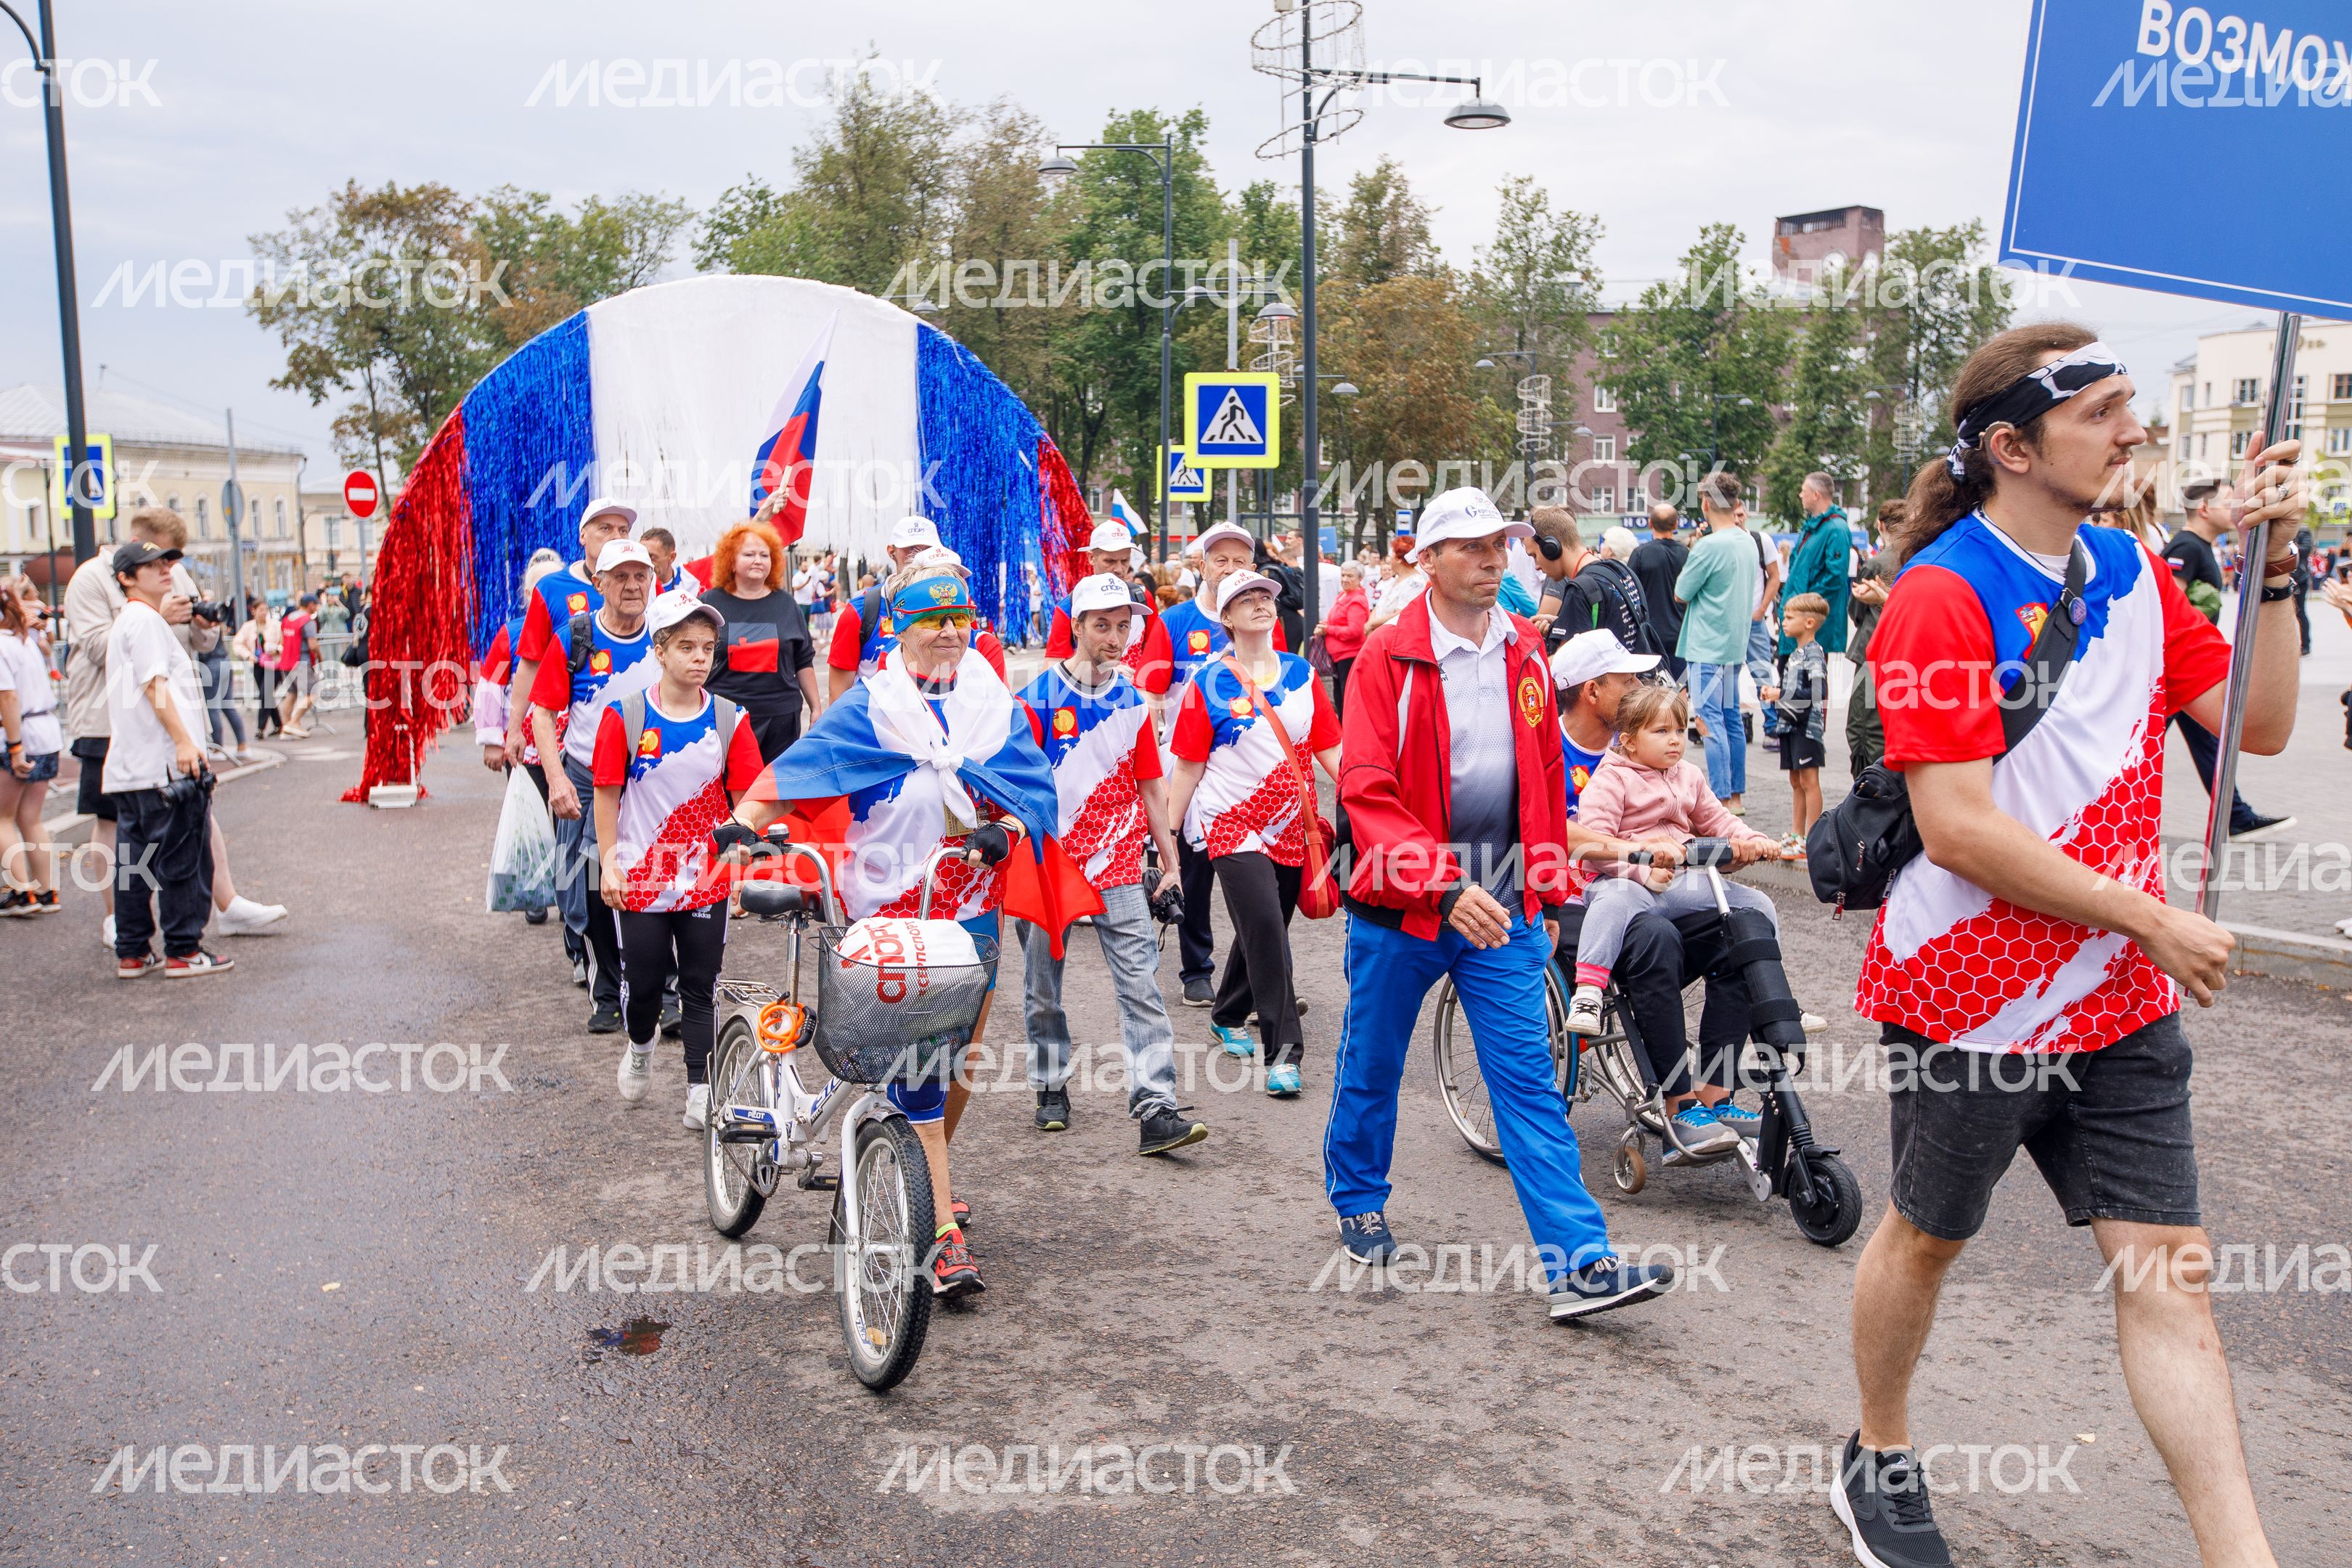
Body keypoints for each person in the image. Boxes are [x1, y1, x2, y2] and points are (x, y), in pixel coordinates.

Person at [1834, 324, 2303, 1568]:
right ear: (2011, 447)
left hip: (2119, 997)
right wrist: (2151, 914)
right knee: (1927, 1239)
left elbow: (2255, 723)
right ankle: (1878, 1451)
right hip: (1973, 997)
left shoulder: (2138, 573)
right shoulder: (1942, 595)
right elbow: (1960, 827)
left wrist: (2276, 566)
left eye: (2132, 407)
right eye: (2102, 412)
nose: (2133, 430)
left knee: (2170, 1275)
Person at [1326, 487, 1675, 1320]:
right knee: (1373, 1062)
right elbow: (1366, 794)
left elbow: (1542, 776)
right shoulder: (1385, 657)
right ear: (1429, 561)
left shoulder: (1526, 646)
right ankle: (1359, 1197)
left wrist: (1547, 885)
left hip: (1508, 906)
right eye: (1473, 549)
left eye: (1502, 547)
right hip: (1404, 907)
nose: (1494, 562)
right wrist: (1442, 887)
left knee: (1527, 1084)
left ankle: (1581, 1263)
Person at [718, 565, 1077, 1296]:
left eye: (959, 617)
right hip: (885, 902)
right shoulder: (870, 708)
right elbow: (799, 770)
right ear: (899, 629)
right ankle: (936, 1229)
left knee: (963, 1057)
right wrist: (743, 826)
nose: (948, 630)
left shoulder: (993, 706)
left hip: (969, 898)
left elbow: (1032, 792)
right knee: (919, 1061)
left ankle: (908, 1174)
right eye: (931, 618)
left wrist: (1005, 831)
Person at [1549, 629, 1773, 1156]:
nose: (1640, 685)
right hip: (1573, 897)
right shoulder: (1548, 751)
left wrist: (1735, 844)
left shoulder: (1655, 750)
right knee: (1652, 934)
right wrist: (1637, 852)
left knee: (1739, 928)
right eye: (1628, 679)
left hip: (1653, 887)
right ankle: (1677, 1105)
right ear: (1593, 690)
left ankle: (1718, 1091)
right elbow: (1556, 835)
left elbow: (1706, 816)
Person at [1016, 573, 1206, 1155]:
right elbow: (1017, 788)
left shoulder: (1131, 700)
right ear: (1075, 626)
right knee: (1043, 989)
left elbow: (1152, 787)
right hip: (1050, 866)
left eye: (1125, 626)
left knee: (1141, 986)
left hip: (1120, 864)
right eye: (1102, 625)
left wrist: (1169, 863)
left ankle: (1156, 1108)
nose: (1116, 637)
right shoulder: (1037, 698)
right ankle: (1050, 1085)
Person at [64, 507, 286, 945]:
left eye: (173, 560)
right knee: (115, 822)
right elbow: (97, 648)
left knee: (196, 809)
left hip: (172, 723)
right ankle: (122, 921)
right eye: (161, 561)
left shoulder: (174, 576)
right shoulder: (91, 578)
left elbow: (199, 643)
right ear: (139, 550)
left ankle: (227, 904)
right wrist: (156, 615)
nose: (170, 569)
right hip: (111, 721)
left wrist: (204, 625)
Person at [592, 591, 766, 1129]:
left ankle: (699, 1087)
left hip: (704, 878)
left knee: (699, 984)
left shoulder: (729, 718)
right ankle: (640, 1045)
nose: (699, 658)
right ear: (660, 650)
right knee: (642, 985)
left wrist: (740, 871)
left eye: (708, 648)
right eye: (686, 647)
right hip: (642, 878)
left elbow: (747, 800)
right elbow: (606, 795)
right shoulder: (625, 716)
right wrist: (609, 863)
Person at [1165, 568, 1341, 1096]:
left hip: (1295, 823)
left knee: (1265, 927)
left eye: (1266, 596)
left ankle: (1227, 1011)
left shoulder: (1303, 675)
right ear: (1226, 617)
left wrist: (1374, 795)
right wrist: (1169, 838)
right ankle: (1284, 1053)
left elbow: (1331, 751)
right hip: (1230, 822)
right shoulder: (1207, 683)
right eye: (1247, 599)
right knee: (1264, 922)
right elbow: (1188, 768)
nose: (1262, 604)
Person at [1564, 682, 1789, 1034]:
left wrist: (1753, 839)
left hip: (1680, 882)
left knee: (1756, 903)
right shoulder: (1610, 780)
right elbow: (1598, 846)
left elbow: (1719, 820)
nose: (1675, 740)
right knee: (1610, 903)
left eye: (1681, 731)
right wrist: (1641, 872)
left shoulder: (1690, 776)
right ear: (1630, 740)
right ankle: (1589, 992)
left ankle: (1771, 993)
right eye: (1661, 731)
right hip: (1620, 879)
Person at [528, 537, 663, 1035]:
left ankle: (662, 992)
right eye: (620, 577)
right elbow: (543, 714)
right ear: (599, 583)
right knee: (589, 887)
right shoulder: (576, 635)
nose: (632, 586)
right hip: (585, 777)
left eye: (640, 576)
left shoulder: (668, 633)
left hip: (649, 780)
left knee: (659, 882)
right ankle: (606, 990)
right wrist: (557, 779)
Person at [1159, 520, 1284, 1010]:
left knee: (1261, 880)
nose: (1229, 569)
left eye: (1239, 561)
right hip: (1189, 763)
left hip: (1247, 772)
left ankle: (1259, 977)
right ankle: (1197, 969)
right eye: (1220, 560)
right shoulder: (1174, 622)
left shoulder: (1260, 617)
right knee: (1194, 872)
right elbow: (1152, 693)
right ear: (1203, 565)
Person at [102, 540, 231, 979]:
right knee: (182, 859)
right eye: (150, 566)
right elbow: (154, 686)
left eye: (166, 563)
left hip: (132, 768)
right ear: (125, 577)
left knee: (133, 867)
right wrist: (183, 742)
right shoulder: (145, 621)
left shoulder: (129, 622)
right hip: (162, 766)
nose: (164, 570)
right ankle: (183, 950)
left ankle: (134, 951)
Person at [2164, 478, 2292, 840]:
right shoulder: (2186, 546)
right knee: (2135, 740)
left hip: (2187, 668)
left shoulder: (2201, 546)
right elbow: (2168, 604)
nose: (2237, 508)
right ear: (2204, 509)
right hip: (2175, 667)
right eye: (2228, 502)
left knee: (2208, 739)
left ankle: (2236, 815)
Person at [504, 494, 640, 767]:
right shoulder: (552, 589)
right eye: (605, 528)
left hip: (637, 737)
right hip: (576, 736)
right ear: (582, 536)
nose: (616, 536)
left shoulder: (644, 586)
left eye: (623, 530)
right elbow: (530, 663)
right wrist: (515, 728)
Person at [475, 549, 569, 932]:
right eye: (536, 590)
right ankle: (535, 893)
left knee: (568, 824)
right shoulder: (512, 633)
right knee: (533, 820)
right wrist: (493, 739)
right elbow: (490, 687)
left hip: (571, 745)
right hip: (525, 748)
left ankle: (570, 894)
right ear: (527, 595)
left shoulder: (578, 627)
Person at [825, 514, 1007, 701]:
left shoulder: (960, 606)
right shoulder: (861, 611)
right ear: (891, 551)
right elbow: (839, 694)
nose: (921, 557)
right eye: (911, 550)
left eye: (928, 550)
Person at [1674, 473, 1763, 815]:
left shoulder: (1709, 545)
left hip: (1706, 645)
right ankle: (1735, 797)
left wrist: (1696, 546)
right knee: (1731, 719)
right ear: (1736, 503)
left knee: (1709, 722)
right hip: (1733, 644)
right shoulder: (1746, 541)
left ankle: (1721, 799)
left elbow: (1681, 592)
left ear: (1706, 503)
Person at [701, 518, 822, 763]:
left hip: (780, 720)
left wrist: (816, 708)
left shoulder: (787, 604)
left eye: (764, 555)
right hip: (724, 719)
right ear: (731, 561)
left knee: (772, 793)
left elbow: (803, 661)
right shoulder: (709, 604)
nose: (758, 560)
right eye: (749, 554)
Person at [1043, 521, 1177, 711]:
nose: (1119, 568)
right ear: (1091, 558)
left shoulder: (1142, 598)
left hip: (1133, 703)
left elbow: (1156, 654)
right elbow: (1052, 667)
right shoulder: (1070, 605)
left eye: (1125, 561)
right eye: (1110, 561)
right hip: (1088, 704)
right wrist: (1102, 672)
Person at [0, 580, 62, 913]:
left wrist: (14, 747)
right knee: (30, 817)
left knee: (2, 817)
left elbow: (7, 697)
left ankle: (22, 893)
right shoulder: (25, 640)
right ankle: (46, 890)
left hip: (20, 733)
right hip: (47, 731)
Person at [1528, 507, 1657, 657]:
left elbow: (1563, 664)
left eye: (1534, 555)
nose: (1536, 566)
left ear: (1551, 548)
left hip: (1605, 679)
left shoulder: (1580, 590)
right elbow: (1612, 625)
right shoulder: (1620, 571)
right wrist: (1562, 623)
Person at [1763, 592, 1830, 836]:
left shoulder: (1814, 653)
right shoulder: (1795, 654)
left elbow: (1816, 691)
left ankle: (1811, 836)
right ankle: (1796, 834)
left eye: (1790, 618)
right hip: (1790, 726)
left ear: (1809, 623)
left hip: (1806, 728)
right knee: (1796, 781)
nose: (1784, 623)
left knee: (1809, 781)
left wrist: (1778, 694)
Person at [1845, 505, 1899, 775]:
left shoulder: (1878, 563)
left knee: (1864, 726)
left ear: (1880, 525)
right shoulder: (1920, 555)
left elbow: (1856, 609)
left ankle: (1867, 786)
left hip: (1872, 649)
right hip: (1901, 653)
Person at [1781, 473, 1854, 664]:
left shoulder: (1835, 529)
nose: (1800, 495)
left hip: (1810, 626)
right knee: (1791, 684)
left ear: (1816, 494)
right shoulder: (1815, 527)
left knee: (1806, 686)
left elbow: (1835, 576)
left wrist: (1805, 604)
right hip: (1799, 619)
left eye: (1803, 491)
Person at [1627, 504, 1689, 678]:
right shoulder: (1687, 554)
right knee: (1679, 686)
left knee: (1651, 686)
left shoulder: (1640, 554)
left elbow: (1630, 593)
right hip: (1680, 633)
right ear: (1676, 524)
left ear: (1650, 523)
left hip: (1650, 634)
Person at [188, 597, 247, 764]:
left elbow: (203, 644)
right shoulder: (216, 621)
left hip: (210, 664)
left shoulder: (206, 622)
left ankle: (217, 747)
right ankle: (242, 745)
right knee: (228, 706)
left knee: (212, 708)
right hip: (225, 662)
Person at [1317, 560, 1370, 717]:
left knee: (1346, 694)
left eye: (1350, 576)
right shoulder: (1343, 596)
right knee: (1339, 694)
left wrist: (1329, 630)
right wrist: (1326, 625)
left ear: (1360, 579)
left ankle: (1348, 727)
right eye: (1343, 575)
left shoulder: (1357, 600)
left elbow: (1355, 631)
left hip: (1349, 655)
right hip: (1339, 656)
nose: (1345, 579)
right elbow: (1338, 620)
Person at [276, 594, 321, 738]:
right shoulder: (307, 620)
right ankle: (293, 723)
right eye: (316, 604)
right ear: (311, 605)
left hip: (286, 661)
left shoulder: (288, 619)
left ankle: (286, 728)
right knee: (313, 693)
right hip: (300, 661)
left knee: (291, 695)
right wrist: (320, 658)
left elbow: (282, 641)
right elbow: (313, 644)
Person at [238, 597, 283, 738]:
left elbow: (284, 642)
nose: (264, 613)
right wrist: (248, 655)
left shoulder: (275, 625)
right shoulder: (248, 627)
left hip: (273, 664)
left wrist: (277, 649)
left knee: (265, 694)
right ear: (254, 611)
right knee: (267, 695)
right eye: (261, 610)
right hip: (258, 664)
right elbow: (238, 644)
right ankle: (279, 724)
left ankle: (260, 728)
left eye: (265, 610)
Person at [638, 526, 684, 595]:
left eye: (651, 557)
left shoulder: (688, 579)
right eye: (642, 556)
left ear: (672, 557)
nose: (645, 562)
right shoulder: (635, 588)